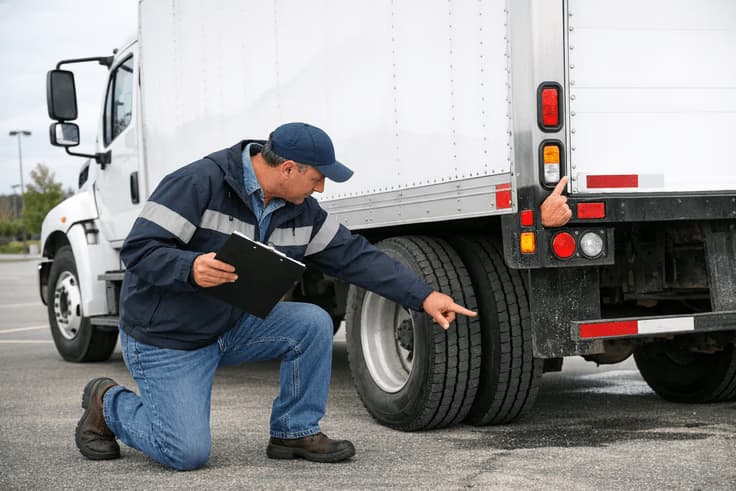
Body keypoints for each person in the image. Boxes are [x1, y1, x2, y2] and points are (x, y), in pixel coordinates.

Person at [74, 122, 480, 470]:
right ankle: (106, 402)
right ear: (287, 168)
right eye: (317, 177)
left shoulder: (301, 210)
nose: (321, 187)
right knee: (184, 452)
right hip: (168, 338)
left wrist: (423, 295)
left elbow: (357, 258)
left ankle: (294, 432)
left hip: (230, 325)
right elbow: (139, 251)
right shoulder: (197, 183)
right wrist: (189, 268)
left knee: (311, 323)